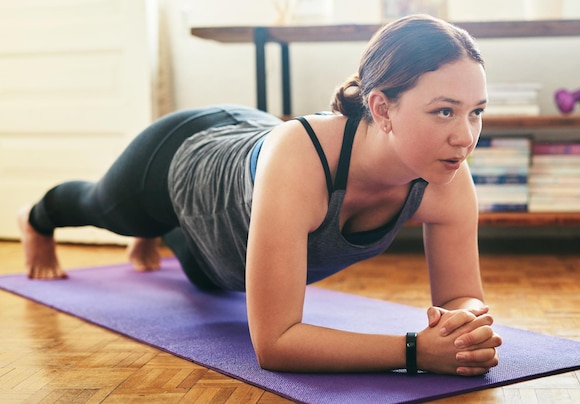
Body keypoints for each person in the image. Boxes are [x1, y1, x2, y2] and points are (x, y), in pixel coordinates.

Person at [18, 14, 501, 376]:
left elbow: (463, 295)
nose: (466, 136)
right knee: (102, 207)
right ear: (382, 107)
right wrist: (417, 351)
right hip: (182, 158)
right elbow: (275, 344)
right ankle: (36, 219)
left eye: (476, 112)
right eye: (444, 112)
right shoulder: (302, 160)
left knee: (212, 278)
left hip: (222, 250)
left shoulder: (448, 177)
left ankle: (158, 232)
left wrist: (465, 324)